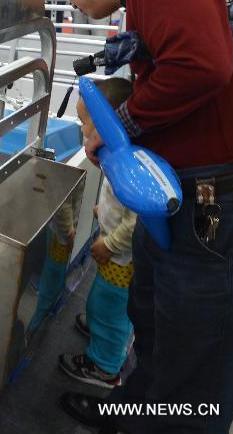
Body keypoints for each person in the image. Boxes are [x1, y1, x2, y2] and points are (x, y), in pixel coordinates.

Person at [51, 0, 233, 433]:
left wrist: (123, 123)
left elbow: (203, 65)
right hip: (184, 192)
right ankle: (134, 416)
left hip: (211, 196)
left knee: (196, 348)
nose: (71, 2)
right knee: (158, 325)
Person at [59, 78, 137, 390]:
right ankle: (103, 333)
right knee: (106, 304)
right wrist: (101, 213)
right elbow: (119, 205)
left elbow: (136, 221)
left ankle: (105, 367)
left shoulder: (127, 165)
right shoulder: (116, 156)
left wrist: (109, 242)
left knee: (110, 308)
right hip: (116, 255)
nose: (81, 130)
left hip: (121, 258)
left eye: (84, 122)